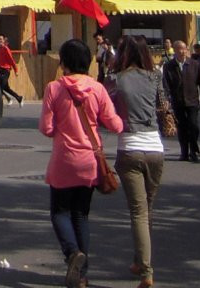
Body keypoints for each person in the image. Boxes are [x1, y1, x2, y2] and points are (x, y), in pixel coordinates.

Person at [39, 37, 123, 288]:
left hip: (64, 159)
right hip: (89, 160)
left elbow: (46, 128)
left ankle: (72, 253)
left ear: (64, 62)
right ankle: (82, 275)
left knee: (59, 213)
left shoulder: (54, 88)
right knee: (81, 215)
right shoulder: (97, 89)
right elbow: (115, 125)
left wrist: (60, 127)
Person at [107, 35, 166, 288]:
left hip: (130, 147)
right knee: (147, 209)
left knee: (138, 212)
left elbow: (107, 110)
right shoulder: (155, 76)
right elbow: (163, 105)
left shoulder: (116, 79)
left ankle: (146, 271)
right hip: (155, 148)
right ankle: (139, 260)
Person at [162, 40, 200, 163]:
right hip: (178, 101)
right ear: (175, 51)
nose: (182, 52)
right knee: (182, 127)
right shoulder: (169, 66)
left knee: (193, 125)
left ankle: (193, 149)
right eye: (179, 49)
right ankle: (184, 152)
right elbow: (166, 85)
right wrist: (166, 99)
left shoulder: (194, 64)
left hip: (192, 100)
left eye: (184, 49)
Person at [0, 34, 23, 105]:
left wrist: (16, 70)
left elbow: (11, 60)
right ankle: (19, 98)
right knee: (6, 88)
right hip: (0, 70)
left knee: (1, 87)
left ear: (4, 40)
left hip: (6, 70)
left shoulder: (6, 49)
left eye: (1, 39)